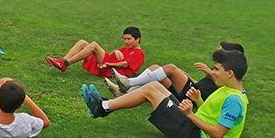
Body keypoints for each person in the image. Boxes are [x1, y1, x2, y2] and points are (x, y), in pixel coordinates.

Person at [80, 48, 249, 138]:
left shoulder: (234, 99)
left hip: (195, 136)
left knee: (150, 91)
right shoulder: (228, 89)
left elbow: (218, 134)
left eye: (217, 69)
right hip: (194, 126)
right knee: (154, 85)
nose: (213, 73)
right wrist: (198, 101)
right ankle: (104, 106)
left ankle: (103, 107)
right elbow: (214, 114)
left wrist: (190, 115)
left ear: (230, 73)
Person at [104, 41, 245, 99]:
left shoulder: (229, 76)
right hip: (194, 88)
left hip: (193, 96)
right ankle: (123, 92)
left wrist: (209, 72)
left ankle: (129, 82)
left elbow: (230, 91)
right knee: (155, 69)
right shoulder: (221, 69)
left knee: (170, 68)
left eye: (221, 51)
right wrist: (184, 75)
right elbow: (204, 84)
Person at [45, 26, 144, 78]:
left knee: (94, 45)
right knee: (82, 42)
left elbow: (124, 64)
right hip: (106, 65)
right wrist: (115, 51)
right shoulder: (125, 48)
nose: (126, 41)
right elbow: (110, 56)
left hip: (111, 70)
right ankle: (62, 61)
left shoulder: (139, 54)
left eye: (129, 39)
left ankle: (65, 63)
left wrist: (109, 64)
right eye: (125, 39)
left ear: (137, 39)